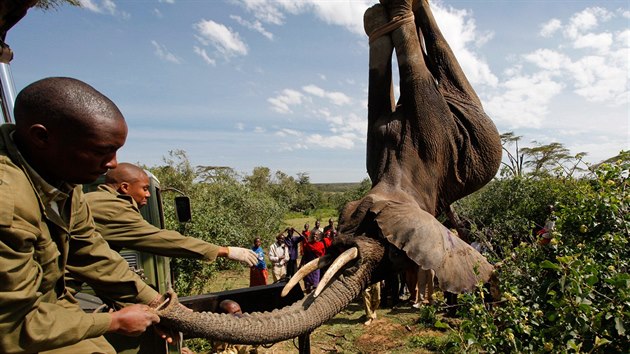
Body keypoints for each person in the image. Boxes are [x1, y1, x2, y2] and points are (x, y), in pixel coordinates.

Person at [0, 77, 165, 353]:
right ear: (41, 137)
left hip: (49, 312)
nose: (112, 163)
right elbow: (13, 327)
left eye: (116, 151)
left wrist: (155, 302)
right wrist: (111, 322)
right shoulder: (9, 200)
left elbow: (90, 251)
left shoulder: (61, 177)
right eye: (101, 151)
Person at [83, 162, 258, 269]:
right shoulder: (113, 209)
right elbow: (162, 240)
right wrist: (224, 251)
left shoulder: (97, 200)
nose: (148, 194)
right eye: (144, 188)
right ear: (125, 188)